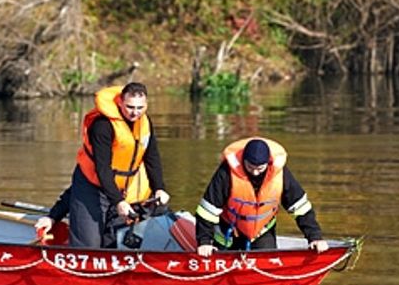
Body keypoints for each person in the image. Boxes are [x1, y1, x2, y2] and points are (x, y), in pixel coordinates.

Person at [66, 82, 170, 248]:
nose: (135, 113)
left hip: (122, 188)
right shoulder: (103, 126)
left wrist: (159, 188)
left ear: (146, 105)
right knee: (90, 245)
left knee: (118, 241)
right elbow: (102, 169)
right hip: (92, 186)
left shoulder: (145, 123)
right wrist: (118, 201)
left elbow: (152, 158)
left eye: (140, 108)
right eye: (130, 107)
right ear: (120, 102)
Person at [194, 137, 329, 256]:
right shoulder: (226, 174)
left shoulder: (281, 175)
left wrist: (315, 237)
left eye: (260, 168)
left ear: (268, 163)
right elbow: (207, 211)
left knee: (268, 262)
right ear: (243, 161)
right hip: (227, 233)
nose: (255, 172)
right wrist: (204, 242)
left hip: (262, 232)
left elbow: (300, 208)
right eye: (250, 167)